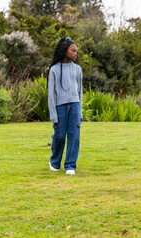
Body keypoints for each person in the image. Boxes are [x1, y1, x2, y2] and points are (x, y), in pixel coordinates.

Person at [47, 37, 83, 175]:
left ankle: (70, 166)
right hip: (59, 107)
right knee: (60, 136)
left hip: (74, 106)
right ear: (64, 51)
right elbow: (51, 94)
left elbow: (79, 92)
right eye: (73, 50)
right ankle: (54, 162)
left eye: (76, 51)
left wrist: (80, 112)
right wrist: (53, 115)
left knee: (74, 136)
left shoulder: (78, 69)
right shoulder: (54, 70)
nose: (75, 53)